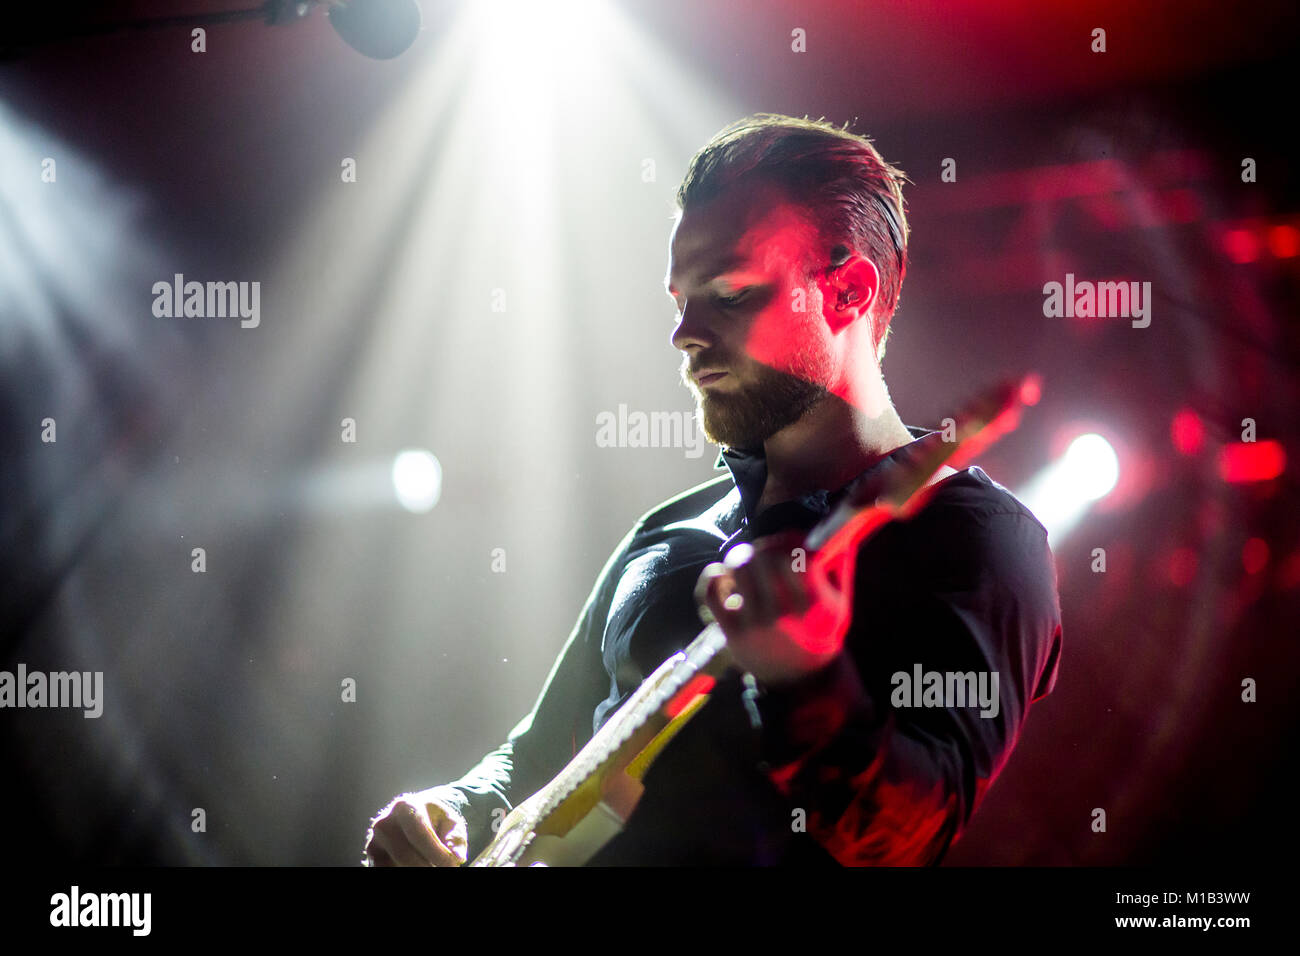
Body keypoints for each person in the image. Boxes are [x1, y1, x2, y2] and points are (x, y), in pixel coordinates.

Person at [363, 113, 1063, 867]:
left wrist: (807, 679)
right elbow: (537, 752)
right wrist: (461, 808)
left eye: (728, 294)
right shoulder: (669, 529)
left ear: (850, 292)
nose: (684, 334)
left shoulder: (978, 540)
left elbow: (911, 834)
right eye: (680, 302)